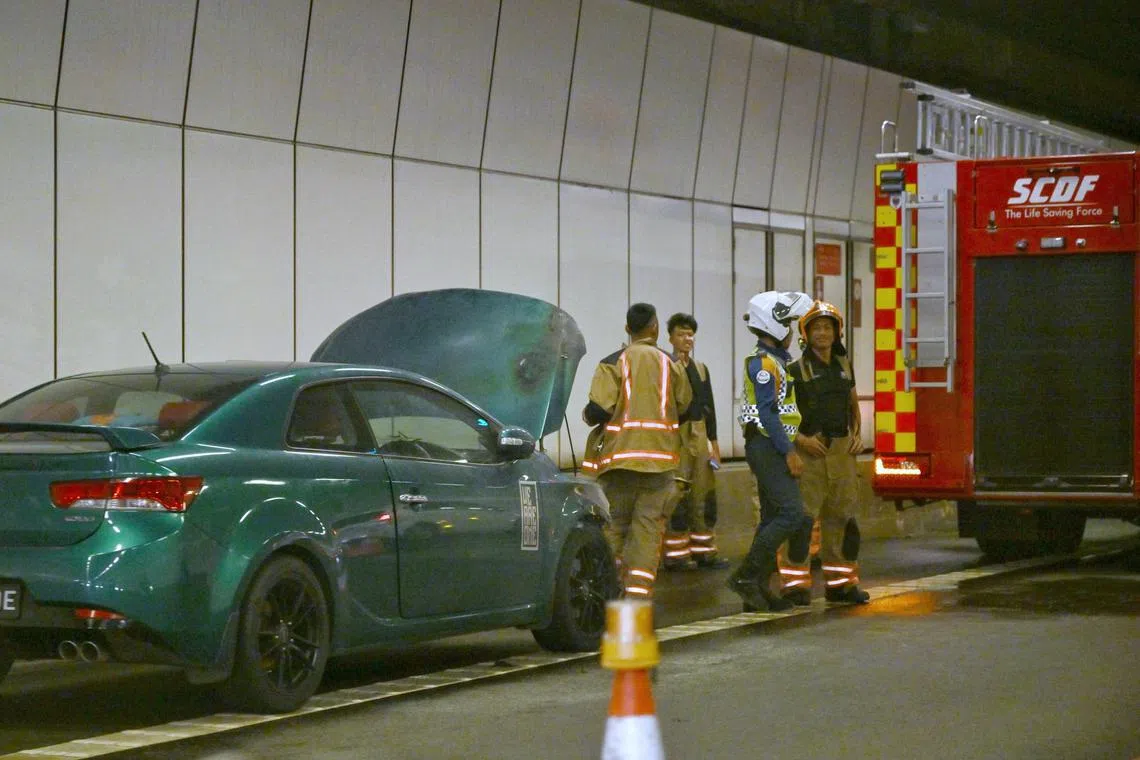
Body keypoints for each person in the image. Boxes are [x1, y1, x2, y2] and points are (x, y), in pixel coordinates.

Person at [582, 303, 692, 598]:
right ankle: (637, 597)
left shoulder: (613, 362)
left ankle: (606, 594)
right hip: (660, 467)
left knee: (614, 528)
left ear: (627, 329)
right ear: (655, 328)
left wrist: (586, 415)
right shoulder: (672, 364)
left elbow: (598, 409)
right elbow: (686, 406)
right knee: (647, 532)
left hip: (619, 464)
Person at [726, 291, 815, 612]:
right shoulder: (763, 364)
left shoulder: (775, 361)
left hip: (769, 444)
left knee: (772, 517)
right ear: (774, 325)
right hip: (766, 444)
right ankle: (746, 576)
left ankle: (757, 589)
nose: (792, 331)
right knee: (793, 514)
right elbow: (767, 412)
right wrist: (788, 451)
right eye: (788, 323)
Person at [781, 301, 871, 605]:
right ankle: (795, 586)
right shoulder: (793, 371)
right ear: (805, 334)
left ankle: (841, 585)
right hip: (810, 455)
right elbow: (781, 415)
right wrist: (801, 441)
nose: (823, 333)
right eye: (816, 327)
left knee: (843, 520)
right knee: (802, 522)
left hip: (842, 453)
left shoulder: (844, 367)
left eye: (828, 327)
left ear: (837, 331)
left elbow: (853, 407)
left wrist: (857, 437)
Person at [661, 312, 729, 570]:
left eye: (690, 334)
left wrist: (714, 443)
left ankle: (704, 552)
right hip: (677, 435)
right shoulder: (665, 366)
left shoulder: (700, 368)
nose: (687, 339)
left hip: (700, 434)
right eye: (681, 334)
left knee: (704, 493)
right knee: (677, 496)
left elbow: (708, 406)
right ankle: (676, 556)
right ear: (670, 338)